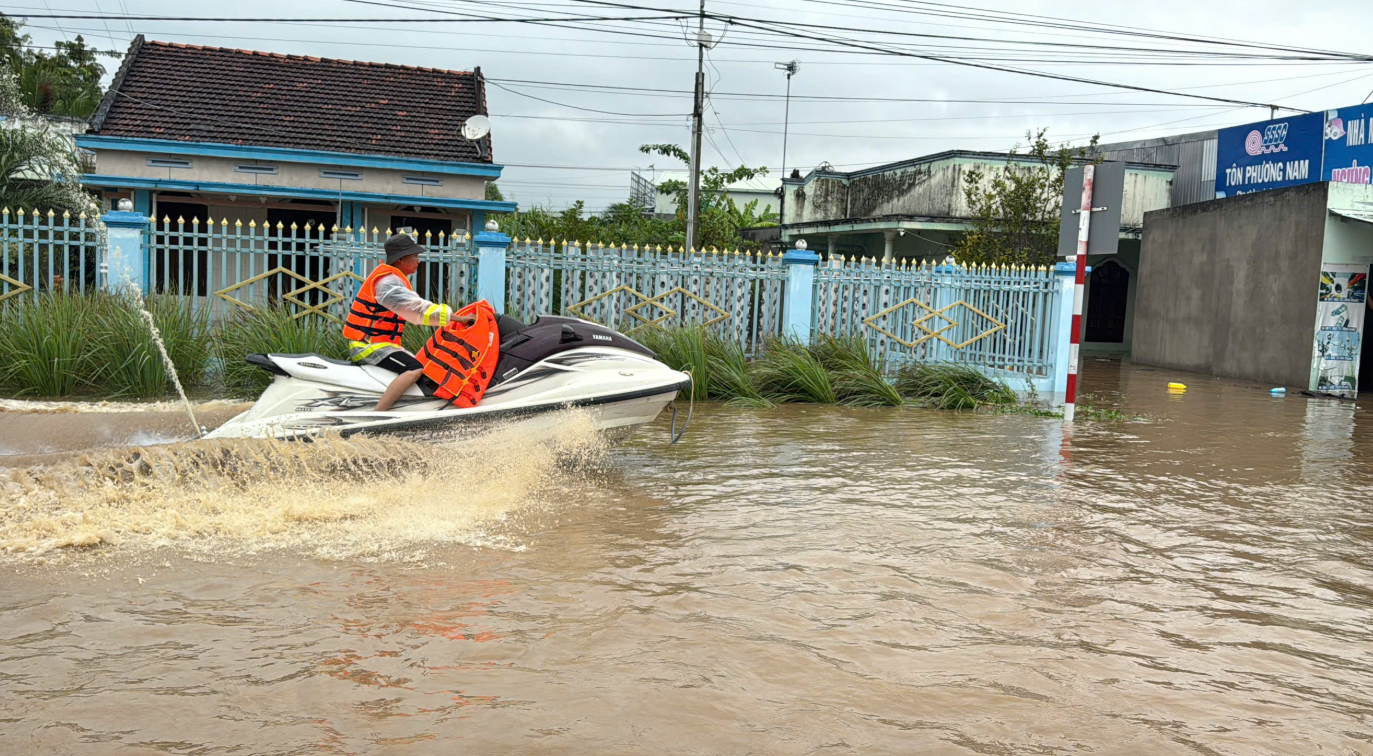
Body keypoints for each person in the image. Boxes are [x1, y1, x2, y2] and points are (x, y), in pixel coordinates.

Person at [342, 233, 474, 411]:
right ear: (401, 259)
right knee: (414, 368)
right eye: (415, 256)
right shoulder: (387, 282)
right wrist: (459, 318)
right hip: (368, 346)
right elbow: (417, 309)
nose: (419, 261)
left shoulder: (393, 279)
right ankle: (377, 414)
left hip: (382, 345)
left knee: (425, 368)